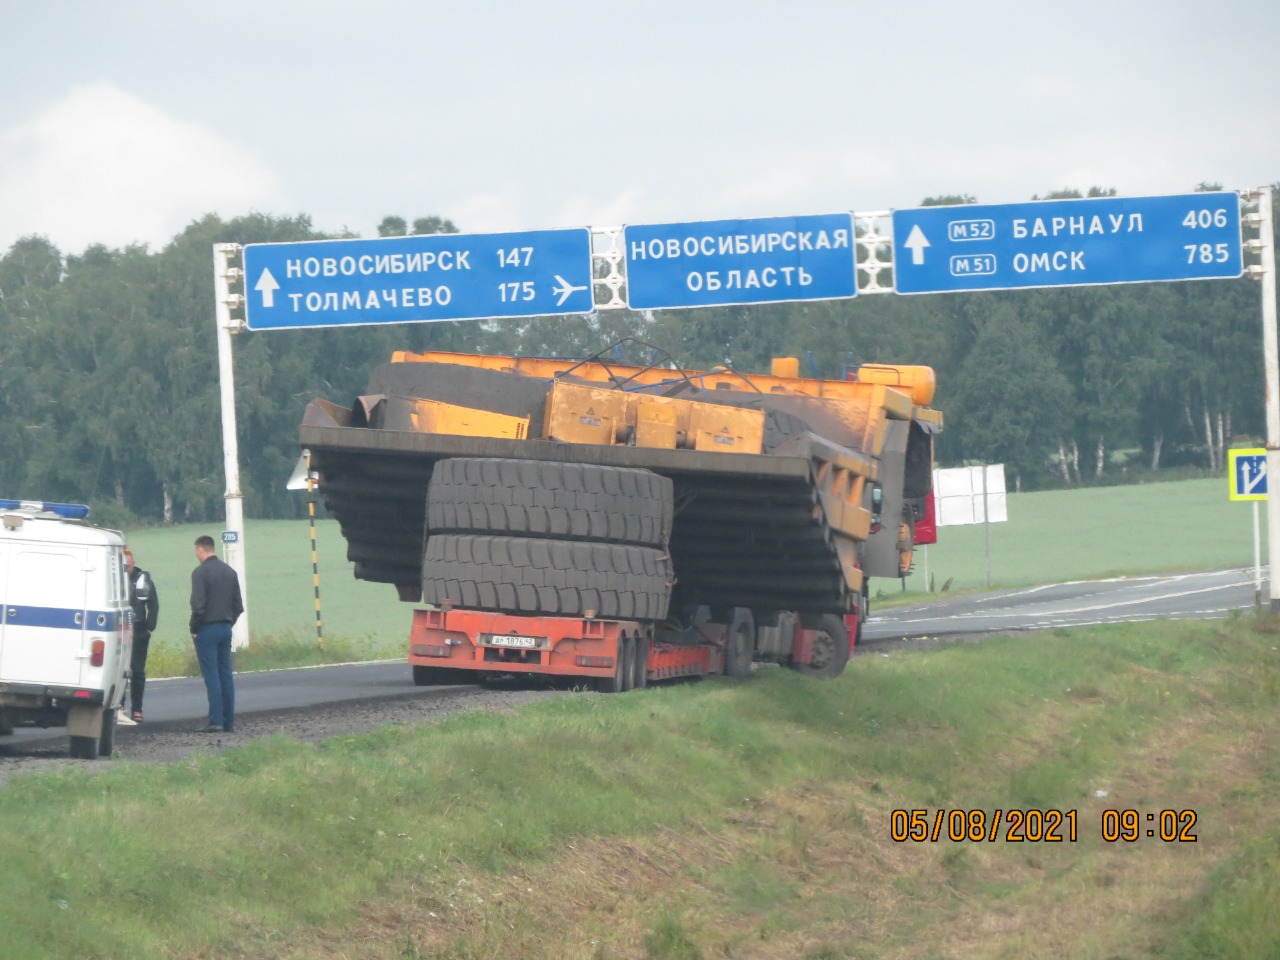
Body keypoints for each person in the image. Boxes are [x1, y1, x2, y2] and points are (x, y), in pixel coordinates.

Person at [189, 535, 244, 733]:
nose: (196, 555)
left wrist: (194, 628)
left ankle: (215, 721)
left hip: (207, 629)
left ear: (201, 550)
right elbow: (238, 606)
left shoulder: (200, 573)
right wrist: (229, 622)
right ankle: (229, 721)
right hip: (225, 628)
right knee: (225, 674)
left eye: (197, 552)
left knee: (211, 675)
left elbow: (198, 605)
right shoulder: (230, 572)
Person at [123, 547, 159, 723]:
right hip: (119, 631)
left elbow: (154, 605)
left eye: (128, 564)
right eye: (123, 565)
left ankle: (137, 709)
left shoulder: (143, 580)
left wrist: (150, 628)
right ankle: (119, 707)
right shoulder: (114, 579)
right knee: (120, 671)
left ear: (133, 563)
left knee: (137, 672)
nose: (126, 567)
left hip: (139, 631)